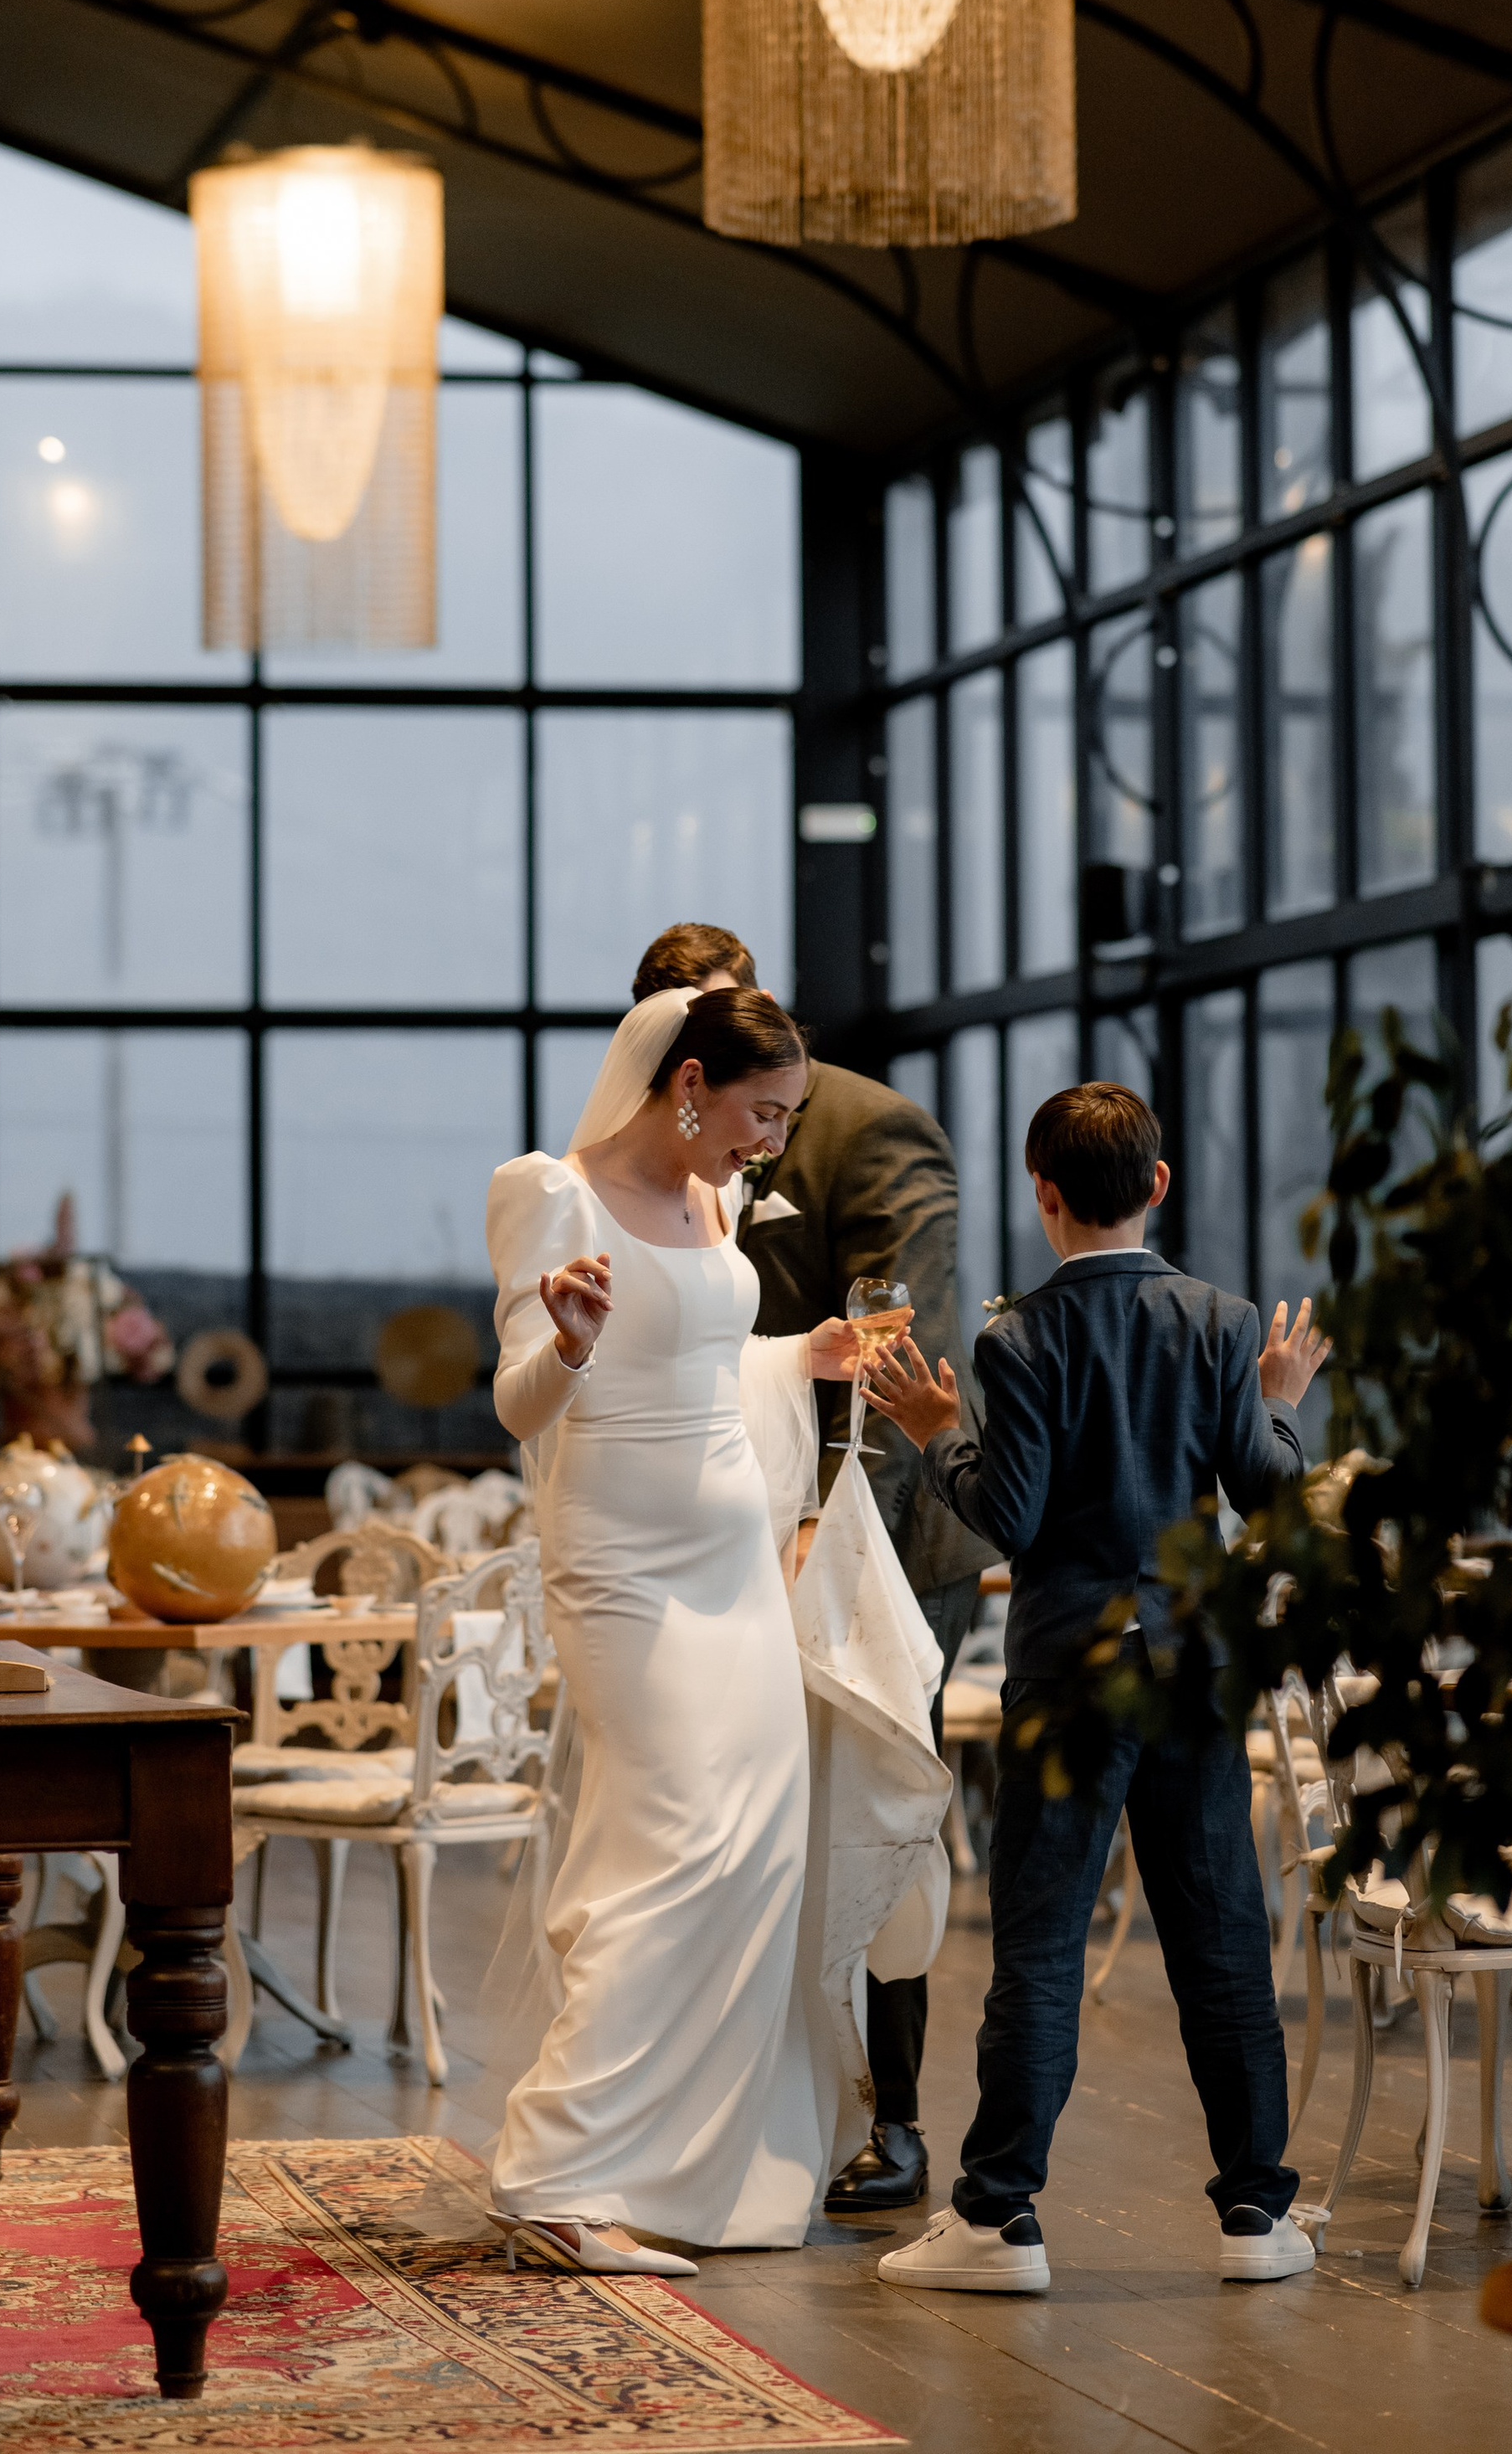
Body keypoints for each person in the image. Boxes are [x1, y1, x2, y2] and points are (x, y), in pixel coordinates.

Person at [483, 984, 945, 2273]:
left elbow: (701, 1356)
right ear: (689, 1082)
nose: (769, 1143)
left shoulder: (706, 1198)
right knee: (675, 1847)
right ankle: (554, 2174)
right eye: (759, 1112)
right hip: (625, 1575)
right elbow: (523, 1407)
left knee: (757, 1850)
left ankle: (683, 2173)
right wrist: (566, 1347)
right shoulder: (549, 1194)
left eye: (786, 1118)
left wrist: (806, 1358)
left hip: (736, 1564)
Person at [861, 1079, 1330, 2295]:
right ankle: (1257, 2217)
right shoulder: (1225, 1324)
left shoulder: (1016, 1340)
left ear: (1044, 1196)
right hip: (1192, 1670)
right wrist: (1278, 1407)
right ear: (1160, 1187)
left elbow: (1005, 1517)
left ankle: (999, 2219)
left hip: (1070, 1674)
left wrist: (935, 1428)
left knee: (1043, 1948)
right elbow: (1269, 1495)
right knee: (1223, 1942)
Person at [630, 922, 995, 2215]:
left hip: (865, 1540)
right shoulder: (651, 1145)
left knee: (868, 1815)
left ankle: (891, 2120)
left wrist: (822, 1518)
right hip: (704, 1541)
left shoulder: (868, 1129)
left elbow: (899, 1352)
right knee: (722, 1822)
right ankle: (743, 2091)